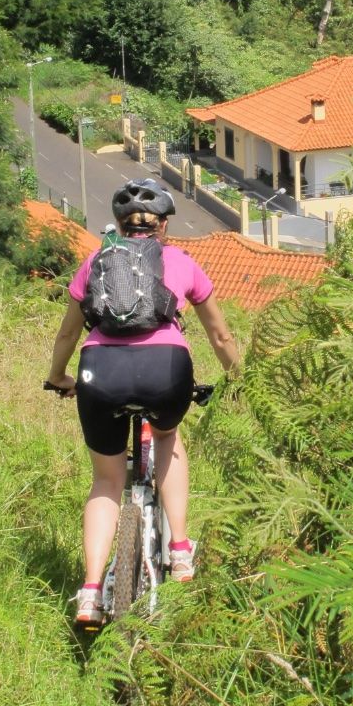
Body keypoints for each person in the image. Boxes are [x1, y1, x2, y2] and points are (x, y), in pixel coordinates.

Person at [45, 177, 239, 626]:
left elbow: (67, 333)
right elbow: (220, 334)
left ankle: (91, 592)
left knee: (105, 481)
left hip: (99, 372)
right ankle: (181, 551)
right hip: (166, 370)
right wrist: (240, 377)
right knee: (168, 439)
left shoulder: (94, 261)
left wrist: (59, 377)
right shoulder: (181, 262)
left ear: (118, 225)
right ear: (163, 226)